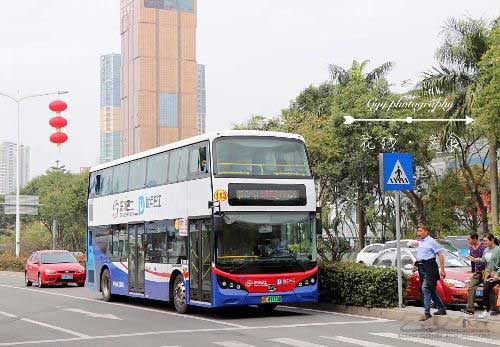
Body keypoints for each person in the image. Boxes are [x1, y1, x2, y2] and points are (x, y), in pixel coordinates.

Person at [413, 224, 447, 321]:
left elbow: (440, 254)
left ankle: (427, 313)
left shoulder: (431, 241)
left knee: (425, 288)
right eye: (418, 231)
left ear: (426, 232)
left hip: (430, 267)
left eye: (420, 231)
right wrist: (415, 265)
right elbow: (421, 256)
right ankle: (441, 309)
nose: (418, 233)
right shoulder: (421, 242)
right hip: (421, 267)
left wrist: (442, 269)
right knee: (431, 289)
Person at [468, 233, 500, 318]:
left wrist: (497, 273)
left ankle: (495, 309)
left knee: (490, 290)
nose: (485, 243)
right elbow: (483, 260)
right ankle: (487, 310)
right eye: (484, 241)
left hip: (497, 273)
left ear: (492, 240)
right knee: (486, 290)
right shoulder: (486, 250)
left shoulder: (498, 249)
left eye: (486, 241)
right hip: (488, 273)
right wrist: (475, 259)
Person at [461, 232, 486, 315]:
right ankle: (470, 308)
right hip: (477, 272)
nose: (468, 240)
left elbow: (486, 260)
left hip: (485, 272)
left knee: (490, 290)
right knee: (471, 288)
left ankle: (494, 308)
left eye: (469, 239)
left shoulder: (483, 247)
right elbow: (473, 261)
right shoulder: (471, 248)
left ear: (475, 238)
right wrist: (472, 270)